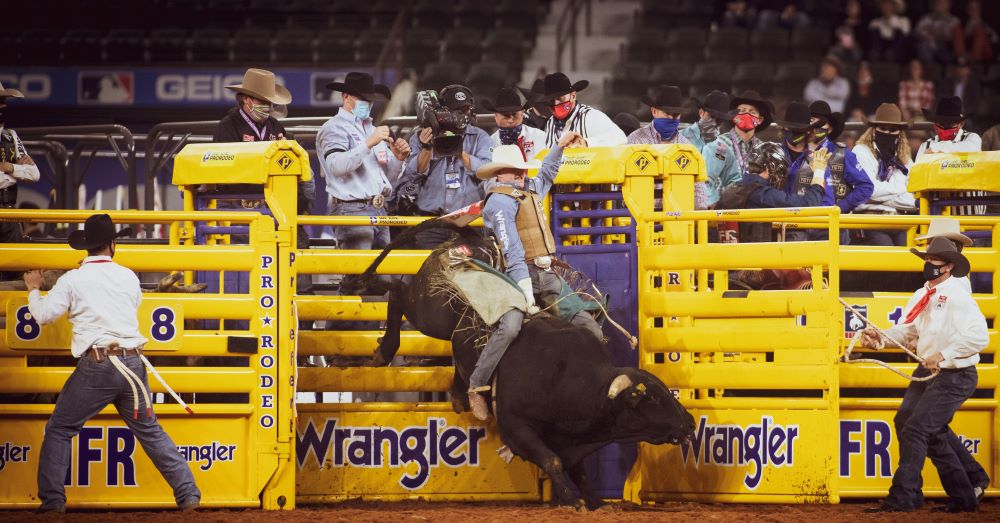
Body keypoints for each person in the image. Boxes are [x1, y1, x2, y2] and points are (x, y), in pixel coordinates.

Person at [27, 214, 201, 513]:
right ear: (112, 244)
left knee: (60, 428)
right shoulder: (128, 276)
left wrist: (33, 288)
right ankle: (188, 494)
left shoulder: (73, 279)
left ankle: (53, 503)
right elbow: (130, 307)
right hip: (133, 363)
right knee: (150, 430)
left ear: (86, 248)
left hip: (98, 365)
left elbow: (43, 316)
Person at [469, 134, 604, 419]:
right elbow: (512, 249)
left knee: (590, 327)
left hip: (547, 272)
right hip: (516, 277)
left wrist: (559, 146)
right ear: (499, 174)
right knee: (510, 327)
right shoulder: (499, 204)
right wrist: (527, 293)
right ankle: (477, 384)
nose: (521, 173)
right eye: (515, 170)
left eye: (521, 169)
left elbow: (548, 173)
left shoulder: (528, 191)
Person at [861, 237, 988, 513]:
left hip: (955, 373)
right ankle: (966, 490)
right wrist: (880, 338)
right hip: (933, 371)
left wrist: (943, 355)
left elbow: (978, 336)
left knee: (918, 428)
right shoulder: (923, 294)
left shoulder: (957, 295)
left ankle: (906, 494)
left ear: (948, 266)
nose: (929, 264)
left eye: (934, 260)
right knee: (912, 423)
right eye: (928, 259)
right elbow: (909, 331)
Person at [318, 72, 409, 253]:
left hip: (379, 209)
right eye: (362, 99)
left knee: (383, 277)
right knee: (358, 275)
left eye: (370, 100)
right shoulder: (333, 128)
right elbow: (336, 167)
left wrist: (398, 159)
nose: (367, 104)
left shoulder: (374, 130)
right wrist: (368, 143)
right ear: (346, 97)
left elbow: (388, 176)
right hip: (351, 209)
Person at [398, 84, 492, 248]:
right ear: (444, 111)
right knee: (425, 270)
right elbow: (413, 174)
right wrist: (427, 148)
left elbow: (486, 171)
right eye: (457, 110)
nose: (462, 115)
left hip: (468, 221)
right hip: (431, 221)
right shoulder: (422, 135)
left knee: (469, 272)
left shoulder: (480, 137)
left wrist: (458, 150)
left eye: (466, 109)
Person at [717, 142, 829, 243]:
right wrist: (819, 172)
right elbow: (808, 205)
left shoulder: (730, 190)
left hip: (721, 261)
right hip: (753, 262)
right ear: (770, 169)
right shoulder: (761, 194)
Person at [628, 85, 706, 210]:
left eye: (676, 115)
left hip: (676, 215)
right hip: (641, 212)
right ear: (654, 111)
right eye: (667, 113)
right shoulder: (636, 140)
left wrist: (700, 213)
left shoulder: (687, 147)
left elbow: (698, 184)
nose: (671, 118)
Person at [851, 103, 916, 246]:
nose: (887, 133)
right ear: (874, 130)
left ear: (899, 132)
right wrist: (902, 190)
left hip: (901, 220)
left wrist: (883, 196)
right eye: (883, 129)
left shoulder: (904, 157)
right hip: (871, 220)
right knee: (889, 255)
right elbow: (869, 190)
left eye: (893, 130)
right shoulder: (861, 151)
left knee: (912, 257)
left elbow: (914, 196)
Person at [703, 90, 774, 207]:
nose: (746, 114)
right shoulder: (717, 144)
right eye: (741, 110)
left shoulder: (764, 150)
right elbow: (706, 180)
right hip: (721, 212)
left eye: (752, 112)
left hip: (751, 213)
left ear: (760, 120)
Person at [0, 81, 40, 279]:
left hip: (9, 214)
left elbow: (34, 173)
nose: (3, 105)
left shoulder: (11, 137)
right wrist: (17, 173)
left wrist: (9, 167)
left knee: (16, 272)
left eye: (3, 100)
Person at [808, 101, 874, 218]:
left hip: (833, 221)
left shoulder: (843, 155)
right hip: (801, 221)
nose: (815, 126)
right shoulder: (796, 152)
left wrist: (841, 207)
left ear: (830, 128)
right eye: (812, 120)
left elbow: (866, 186)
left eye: (821, 122)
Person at [532, 72, 626, 148]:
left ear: (573, 96)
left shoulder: (590, 116)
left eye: (560, 99)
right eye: (551, 101)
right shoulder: (550, 124)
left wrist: (585, 143)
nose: (556, 104)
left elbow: (619, 137)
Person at [482, 86, 546, 161]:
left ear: (522, 113)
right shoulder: (490, 144)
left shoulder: (539, 137)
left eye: (514, 114)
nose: (510, 120)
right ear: (496, 117)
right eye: (505, 116)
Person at [915, 0, 960, 65]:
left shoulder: (954, 20)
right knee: (923, 46)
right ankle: (928, 69)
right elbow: (918, 31)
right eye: (936, 2)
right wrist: (927, 35)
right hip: (928, 45)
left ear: (948, 5)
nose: (938, 4)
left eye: (941, 2)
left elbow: (950, 36)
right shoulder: (926, 18)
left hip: (945, 47)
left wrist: (932, 31)